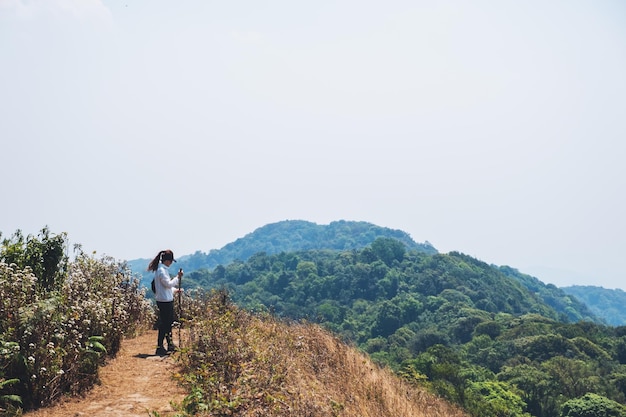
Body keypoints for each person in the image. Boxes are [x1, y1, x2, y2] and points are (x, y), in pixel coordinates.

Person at [147, 249, 183, 356]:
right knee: (165, 324)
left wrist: (175, 290)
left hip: (164, 299)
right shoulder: (161, 271)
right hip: (165, 301)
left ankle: (169, 345)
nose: (171, 263)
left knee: (167, 323)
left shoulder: (161, 270)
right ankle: (161, 346)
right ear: (167, 260)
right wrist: (178, 277)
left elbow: (165, 287)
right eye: (171, 261)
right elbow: (168, 284)